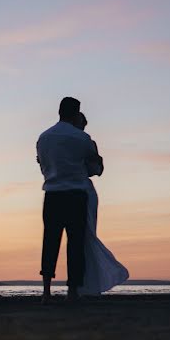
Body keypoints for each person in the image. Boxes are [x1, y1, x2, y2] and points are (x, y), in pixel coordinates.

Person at [36, 97, 98, 302]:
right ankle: (72, 291)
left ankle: (46, 292)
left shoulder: (44, 138)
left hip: (52, 193)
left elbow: (42, 165)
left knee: (50, 241)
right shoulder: (82, 138)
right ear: (76, 113)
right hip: (76, 193)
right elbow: (94, 168)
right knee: (75, 243)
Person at [74, 112, 130, 296]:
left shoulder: (87, 143)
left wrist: (98, 160)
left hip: (83, 191)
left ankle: (85, 283)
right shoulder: (81, 141)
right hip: (78, 190)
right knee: (81, 237)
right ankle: (83, 283)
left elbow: (96, 170)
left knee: (86, 235)